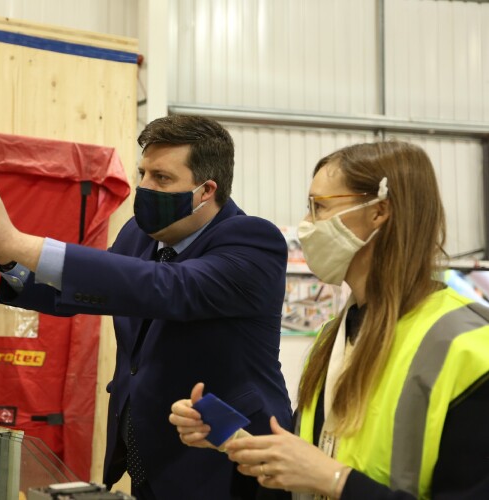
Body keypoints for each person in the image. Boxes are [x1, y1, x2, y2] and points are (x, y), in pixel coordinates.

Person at [0, 115, 293, 499]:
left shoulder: (252, 241)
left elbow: (167, 289)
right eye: (142, 173)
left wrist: (19, 242)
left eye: (161, 178)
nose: (144, 187)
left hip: (230, 463)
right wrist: (6, 258)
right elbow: (87, 290)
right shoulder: (140, 234)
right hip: (151, 455)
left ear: (205, 190)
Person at [169, 141, 489, 499]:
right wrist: (232, 438)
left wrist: (337, 480)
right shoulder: (333, 337)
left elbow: (327, 472)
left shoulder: (468, 347)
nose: (307, 225)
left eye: (320, 207)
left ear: (379, 211)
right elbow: (319, 455)